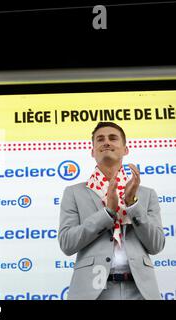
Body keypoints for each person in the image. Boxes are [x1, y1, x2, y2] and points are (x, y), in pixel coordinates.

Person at [58, 122, 165, 300]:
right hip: (92, 291)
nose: (106, 142)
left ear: (125, 149)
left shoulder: (146, 194)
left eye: (113, 138)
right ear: (93, 151)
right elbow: (67, 244)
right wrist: (107, 213)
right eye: (100, 139)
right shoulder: (74, 193)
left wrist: (131, 204)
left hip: (141, 291)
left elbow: (156, 245)